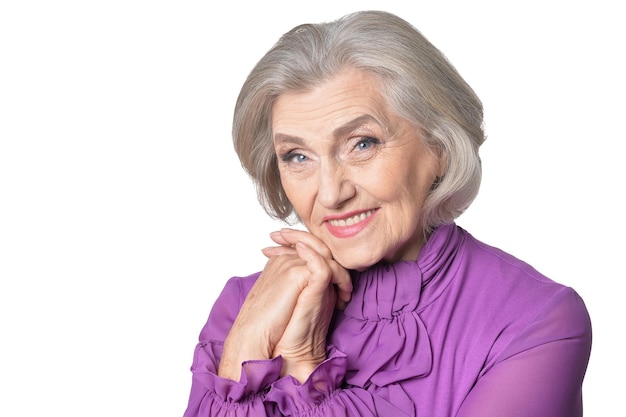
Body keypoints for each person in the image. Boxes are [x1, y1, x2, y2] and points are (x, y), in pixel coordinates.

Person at [182, 10, 592, 417]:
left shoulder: (535, 322)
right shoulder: (248, 304)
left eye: (362, 144)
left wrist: (303, 368)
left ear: (439, 148)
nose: (330, 193)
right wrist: (243, 347)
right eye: (297, 156)